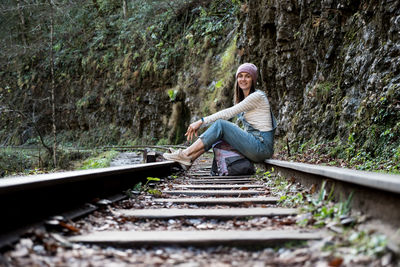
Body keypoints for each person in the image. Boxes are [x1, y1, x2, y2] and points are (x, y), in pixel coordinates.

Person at [163, 63, 276, 169]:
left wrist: (201, 121)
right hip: (257, 146)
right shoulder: (247, 99)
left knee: (221, 125)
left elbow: (228, 113)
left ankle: (185, 154)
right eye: (240, 76)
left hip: (261, 147)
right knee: (220, 135)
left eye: (247, 76)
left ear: (253, 79)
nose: (243, 79)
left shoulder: (257, 96)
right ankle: (189, 158)